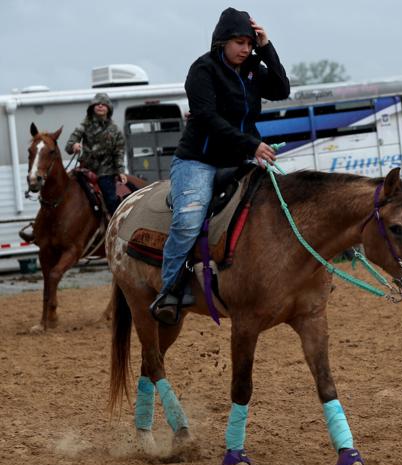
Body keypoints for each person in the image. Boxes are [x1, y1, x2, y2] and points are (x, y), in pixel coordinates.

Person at [150, 7, 290, 323]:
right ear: (222, 41)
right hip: (199, 161)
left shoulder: (253, 68)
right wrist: (252, 145)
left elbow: (282, 89)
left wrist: (267, 48)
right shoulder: (202, 70)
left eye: (250, 44)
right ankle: (169, 288)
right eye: (239, 42)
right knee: (188, 220)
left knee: (280, 204)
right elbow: (208, 119)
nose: (245, 49)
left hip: (240, 158)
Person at [65, 92, 128, 215]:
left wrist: (120, 171)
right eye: (97, 104)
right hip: (86, 170)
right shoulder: (84, 125)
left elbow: (119, 152)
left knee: (111, 200)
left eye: (103, 104)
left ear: (108, 109)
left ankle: (114, 223)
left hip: (106, 172)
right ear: (92, 107)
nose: (100, 106)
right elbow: (70, 144)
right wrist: (74, 146)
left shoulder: (115, 130)